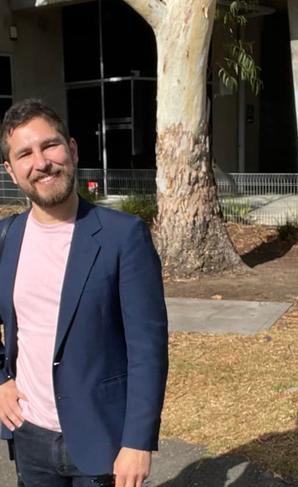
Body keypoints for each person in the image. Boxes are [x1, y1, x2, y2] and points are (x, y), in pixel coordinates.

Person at [0, 99, 168, 487]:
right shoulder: (8, 238)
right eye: (24, 154)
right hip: (30, 436)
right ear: (11, 170)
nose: (41, 162)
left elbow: (148, 348)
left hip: (102, 439)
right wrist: (2, 380)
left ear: (72, 150)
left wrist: (137, 441)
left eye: (50, 145)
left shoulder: (123, 236)